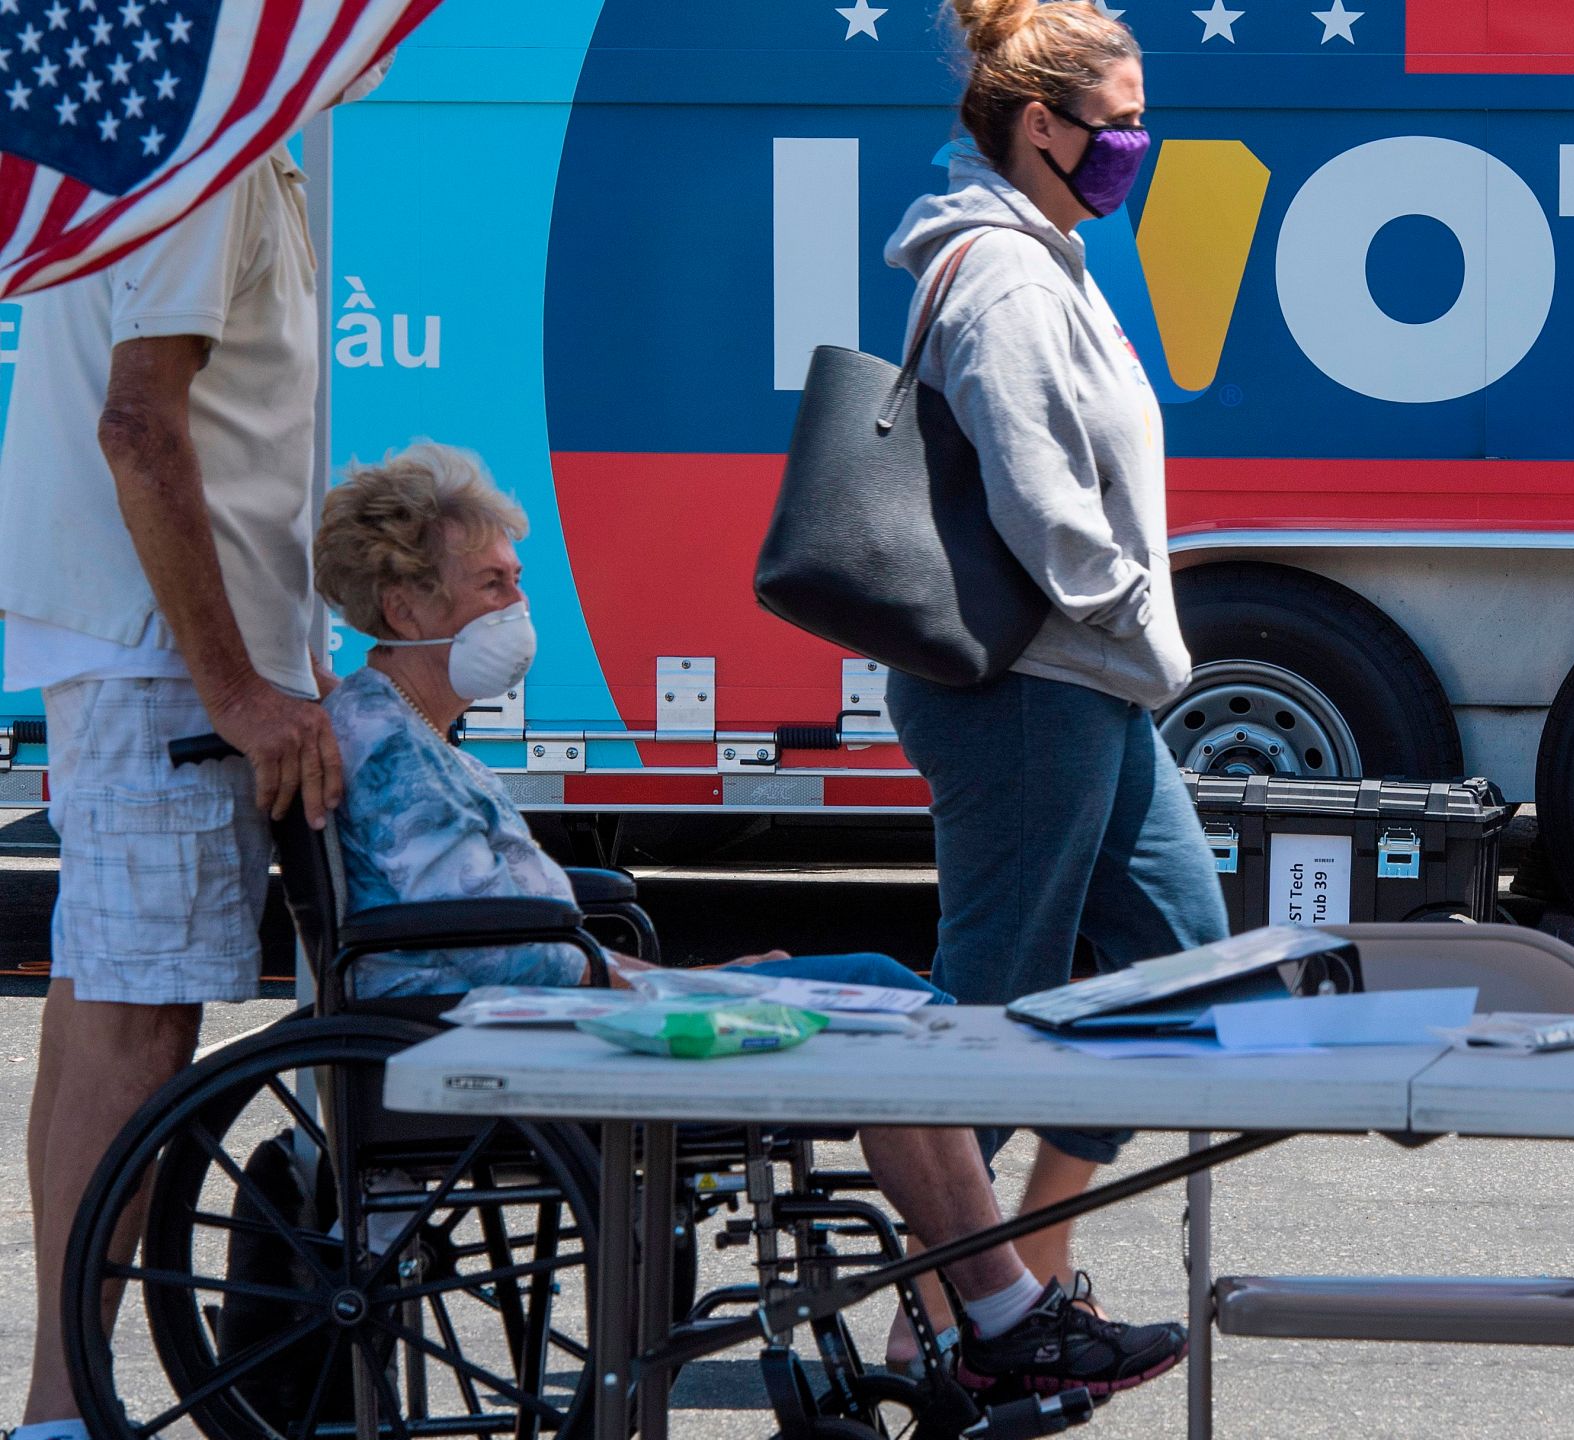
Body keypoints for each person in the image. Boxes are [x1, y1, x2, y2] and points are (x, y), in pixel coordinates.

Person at [311, 440, 1189, 1397]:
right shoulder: (394, 755)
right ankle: (1005, 1315)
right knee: (885, 1011)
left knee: (883, 997)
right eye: (490, 584)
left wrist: (686, 978)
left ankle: (997, 1311)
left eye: (515, 581)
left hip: (554, 1015)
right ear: (406, 607)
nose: (516, 607)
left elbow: (508, 939)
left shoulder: (408, 737)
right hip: (516, 1045)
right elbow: (498, 958)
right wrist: (690, 984)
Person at [880, 0, 1231, 1304]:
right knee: (993, 996)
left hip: (1084, 685)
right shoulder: (1011, 277)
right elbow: (1042, 504)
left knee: (1183, 958)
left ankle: (1029, 1255)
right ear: (1043, 125)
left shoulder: (1048, 255)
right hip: (1032, 686)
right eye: (1123, 121)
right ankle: (948, 1308)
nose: (1140, 145)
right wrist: (1143, 617)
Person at [0, 143, 349, 1440]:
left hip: (137, 647)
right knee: (139, 1016)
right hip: (158, 659)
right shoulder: (211, 154)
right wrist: (238, 692)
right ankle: (56, 1415)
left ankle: (55, 1408)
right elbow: (138, 426)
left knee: (112, 1002)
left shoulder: (190, 137)